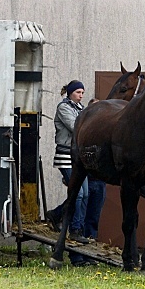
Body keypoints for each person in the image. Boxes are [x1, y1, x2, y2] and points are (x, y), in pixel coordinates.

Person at [45, 80, 90, 257]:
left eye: (82, 93)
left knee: (85, 194)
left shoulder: (81, 108)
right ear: (70, 93)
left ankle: (57, 215)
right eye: (78, 92)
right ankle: (75, 229)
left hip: (79, 157)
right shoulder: (64, 108)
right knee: (77, 194)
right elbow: (75, 127)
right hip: (65, 155)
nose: (81, 95)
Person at [83, 98, 107, 242]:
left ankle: (91, 241)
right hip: (88, 176)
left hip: (100, 179)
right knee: (81, 207)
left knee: (94, 215)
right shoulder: (86, 131)